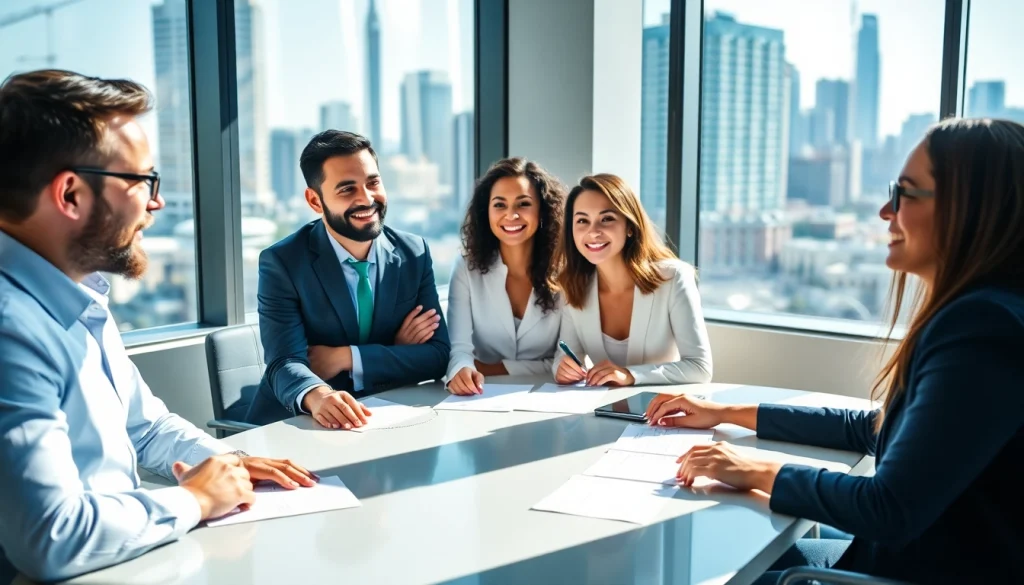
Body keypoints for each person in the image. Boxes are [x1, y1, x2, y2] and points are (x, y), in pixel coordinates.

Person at [645, 118, 1024, 584]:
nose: (886, 210)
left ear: (969, 208)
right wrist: (724, 412)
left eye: (905, 193)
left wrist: (760, 468)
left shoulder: (983, 330)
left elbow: (889, 508)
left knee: (701, 570)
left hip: (907, 572)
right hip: (900, 559)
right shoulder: (988, 314)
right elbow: (872, 429)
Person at [0, 70, 317, 584]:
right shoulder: (11, 329)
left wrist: (227, 463)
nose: (156, 203)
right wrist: (194, 498)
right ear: (71, 194)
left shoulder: (80, 295)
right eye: (142, 181)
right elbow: (48, 538)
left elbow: (143, 426)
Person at [245, 130, 450, 428]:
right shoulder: (283, 262)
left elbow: (437, 356)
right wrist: (318, 394)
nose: (366, 199)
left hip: (389, 416)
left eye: (373, 182)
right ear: (315, 201)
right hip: (298, 425)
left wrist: (347, 358)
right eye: (346, 189)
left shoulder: (413, 253)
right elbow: (284, 363)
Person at [553, 174, 713, 387]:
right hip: (599, 410)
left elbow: (700, 368)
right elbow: (566, 355)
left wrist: (631, 375)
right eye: (582, 221)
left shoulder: (673, 278)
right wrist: (562, 368)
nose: (593, 231)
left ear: (630, 226)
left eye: (607, 218)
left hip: (661, 411)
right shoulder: (573, 285)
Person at [445, 157, 566, 395]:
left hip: (551, 397)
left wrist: (493, 367)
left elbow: (566, 360)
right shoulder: (465, 267)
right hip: (480, 396)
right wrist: (462, 370)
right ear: (486, 212)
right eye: (499, 205)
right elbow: (458, 351)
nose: (511, 215)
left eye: (523, 204)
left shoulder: (566, 270)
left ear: (542, 210)